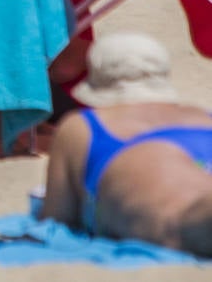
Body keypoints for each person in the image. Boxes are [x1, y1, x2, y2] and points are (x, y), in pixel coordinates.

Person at [41, 33, 212, 256]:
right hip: (197, 211)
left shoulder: (85, 126)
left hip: (176, 230)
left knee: (184, 219)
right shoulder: (204, 118)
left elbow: (57, 219)